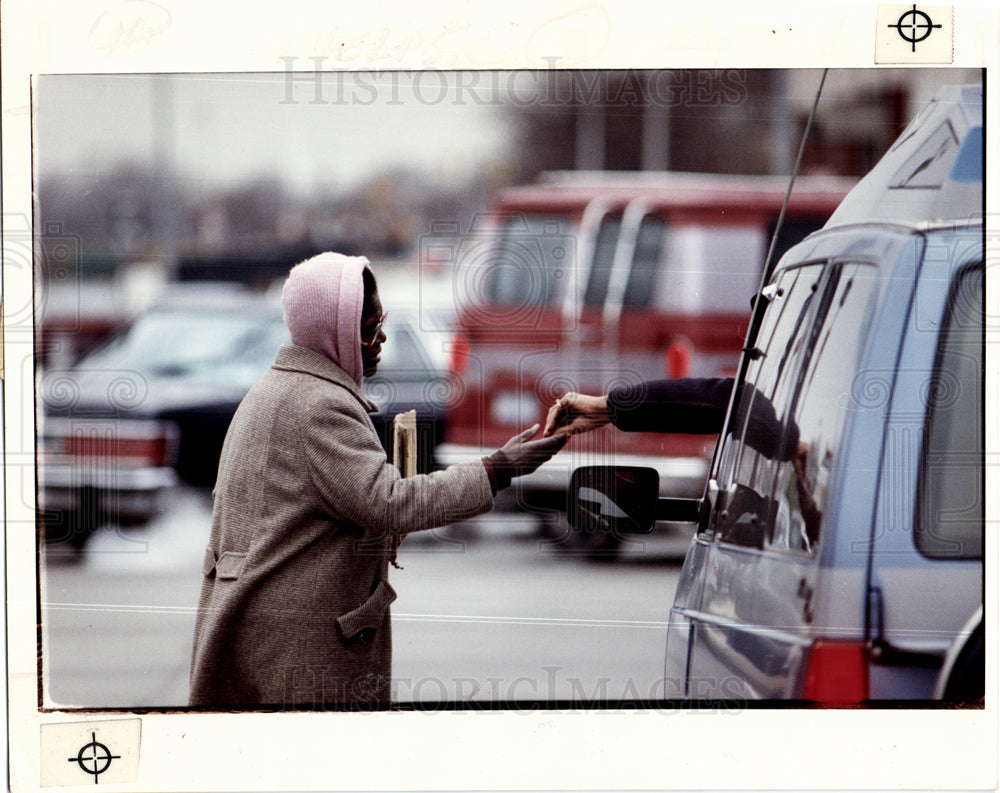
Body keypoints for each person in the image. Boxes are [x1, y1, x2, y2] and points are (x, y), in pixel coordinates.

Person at [189, 252, 566, 708]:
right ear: (332, 330)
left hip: (265, 636)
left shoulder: (274, 389)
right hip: (298, 655)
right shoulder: (320, 406)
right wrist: (500, 468)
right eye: (368, 326)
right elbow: (390, 503)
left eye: (380, 320)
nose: (381, 336)